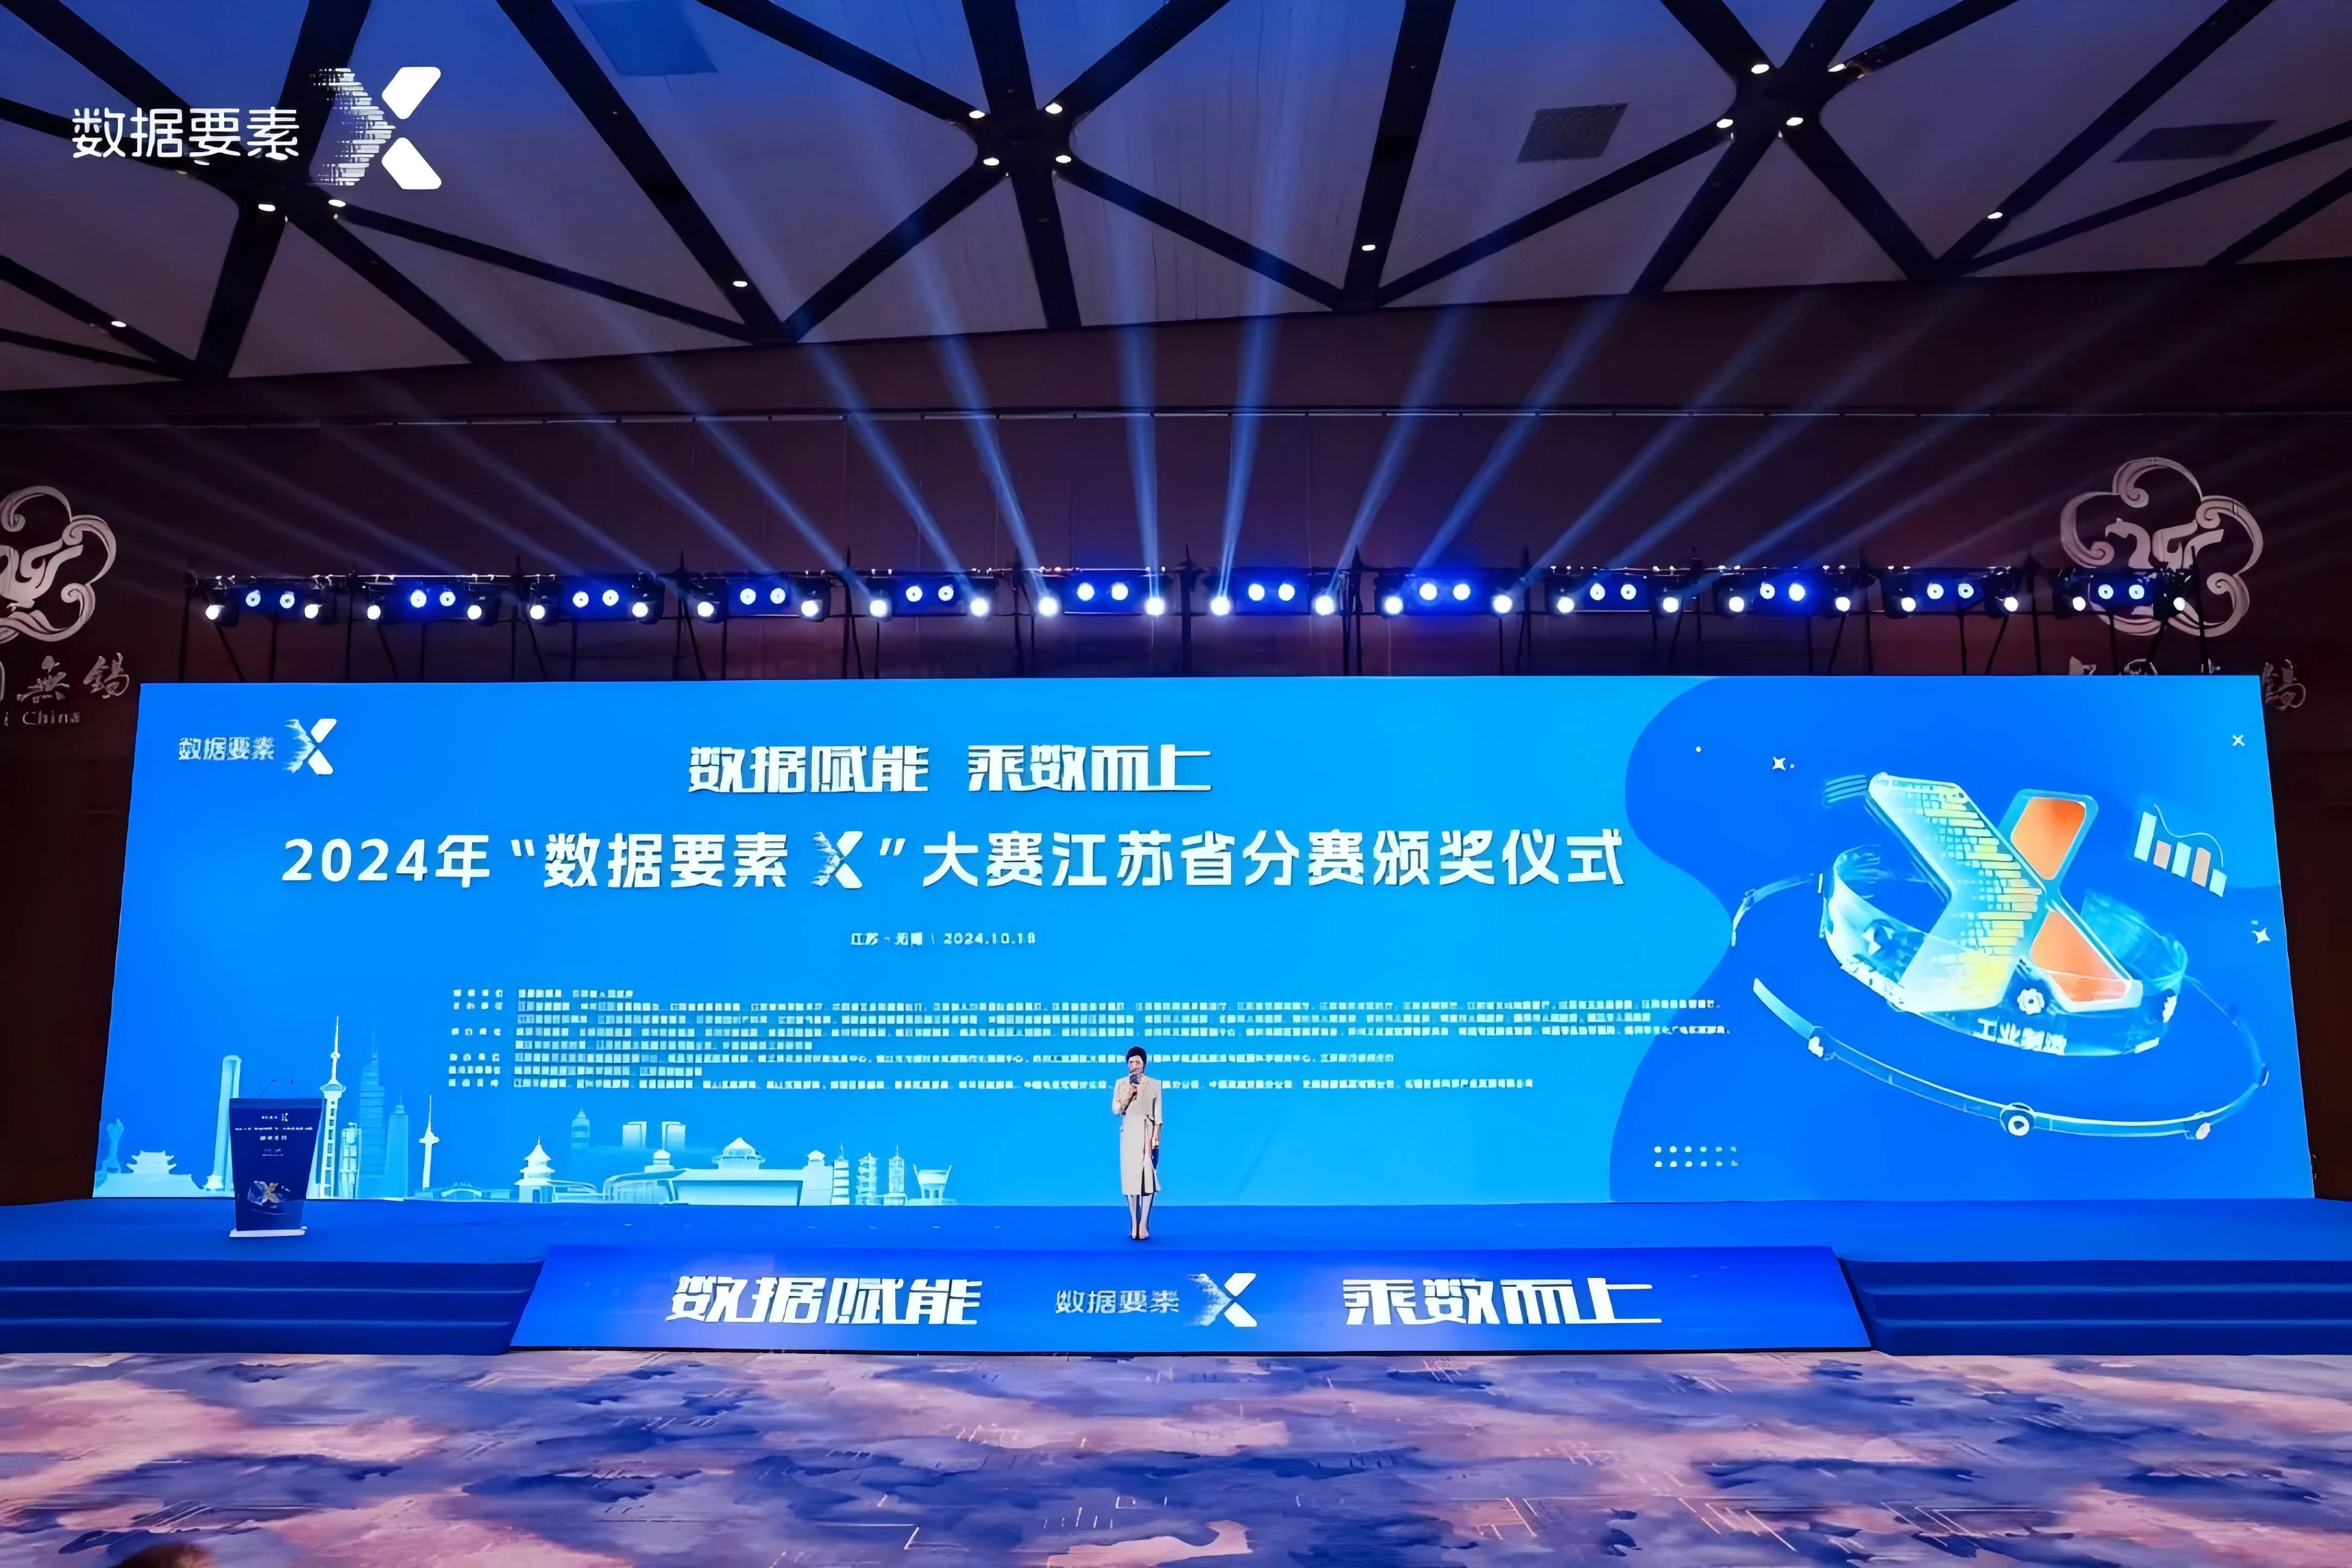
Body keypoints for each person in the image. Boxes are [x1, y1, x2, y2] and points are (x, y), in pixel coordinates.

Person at [1112, 1045, 1162, 1239]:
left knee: (1148, 1178)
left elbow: (1158, 1116)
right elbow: (1117, 1110)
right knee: (1131, 1180)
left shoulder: (1154, 1084)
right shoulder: (1121, 1084)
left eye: (1137, 1062)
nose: (1133, 1065)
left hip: (1147, 1133)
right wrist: (1130, 1091)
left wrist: (1155, 1139)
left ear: (1144, 1064)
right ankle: (1134, 1224)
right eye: (1131, 1062)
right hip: (1129, 1133)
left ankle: (1144, 1224)